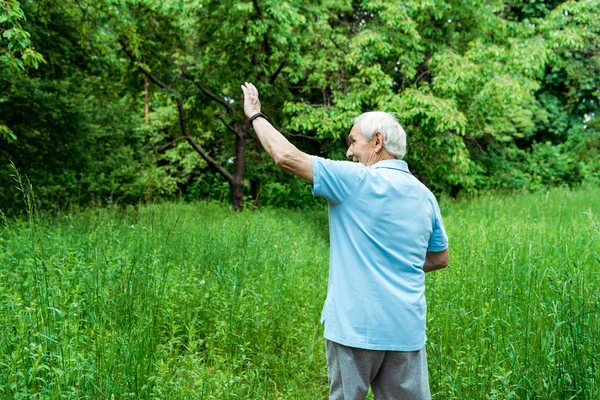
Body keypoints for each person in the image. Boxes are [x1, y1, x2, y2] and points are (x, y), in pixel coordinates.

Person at [241, 82, 449, 400]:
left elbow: (284, 156)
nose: (349, 152)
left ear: (377, 141)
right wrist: (393, 261)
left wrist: (255, 114)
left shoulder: (354, 180)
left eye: (353, 142)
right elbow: (439, 258)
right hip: (406, 331)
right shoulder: (424, 195)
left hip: (356, 329)